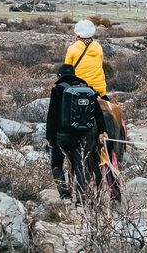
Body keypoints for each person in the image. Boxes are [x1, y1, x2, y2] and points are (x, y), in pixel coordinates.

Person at [46, 63, 108, 202]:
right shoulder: (87, 90)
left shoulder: (57, 90)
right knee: (80, 166)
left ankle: (65, 194)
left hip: (61, 136)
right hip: (82, 135)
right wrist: (103, 130)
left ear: (59, 75)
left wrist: (49, 136)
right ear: (74, 74)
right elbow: (97, 112)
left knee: (56, 164)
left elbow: (52, 115)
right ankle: (81, 197)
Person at [65, 19, 107, 98]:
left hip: (79, 89)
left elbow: (67, 70)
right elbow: (101, 64)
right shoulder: (98, 47)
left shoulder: (72, 48)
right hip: (99, 90)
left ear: (78, 34)